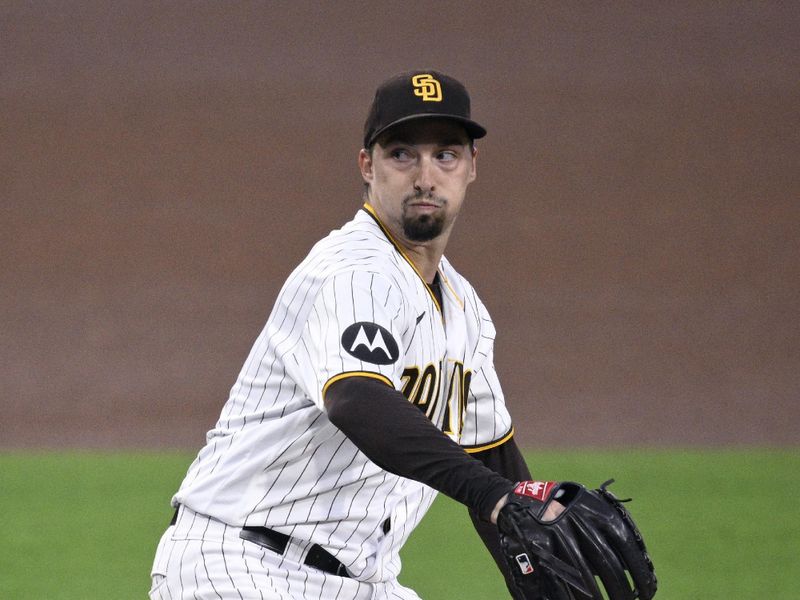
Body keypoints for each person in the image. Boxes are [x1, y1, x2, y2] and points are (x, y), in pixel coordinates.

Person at [148, 70, 536, 600]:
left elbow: (492, 455)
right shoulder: (354, 270)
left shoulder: (464, 309)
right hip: (243, 564)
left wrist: (534, 554)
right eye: (403, 154)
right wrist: (493, 496)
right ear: (366, 166)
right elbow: (357, 400)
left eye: (445, 155)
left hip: (364, 583)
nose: (425, 176)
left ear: (471, 168)